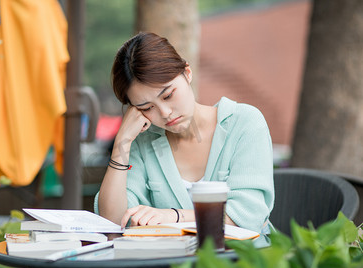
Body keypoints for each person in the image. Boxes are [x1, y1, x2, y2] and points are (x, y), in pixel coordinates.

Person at [94, 32, 274, 234]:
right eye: (147, 108)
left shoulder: (244, 123)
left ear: (187, 73)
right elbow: (113, 223)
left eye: (168, 95)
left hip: (243, 262)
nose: (165, 112)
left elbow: (248, 215)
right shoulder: (142, 142)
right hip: (171, 264)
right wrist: (123, 141)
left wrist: (174, 216)